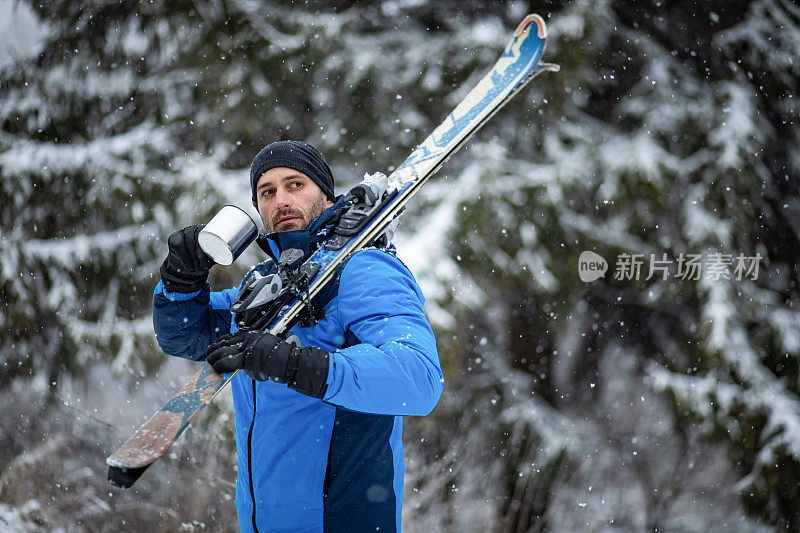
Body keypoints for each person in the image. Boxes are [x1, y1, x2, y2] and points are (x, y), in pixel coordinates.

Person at [152, 140, 443, 533]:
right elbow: (186, 336)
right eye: (267, 192)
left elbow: (419, 377)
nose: (281, 200)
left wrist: (292, 364)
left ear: (325, 194)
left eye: (295, 185)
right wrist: (180, 280)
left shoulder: (363, 270)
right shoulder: (263, 288)